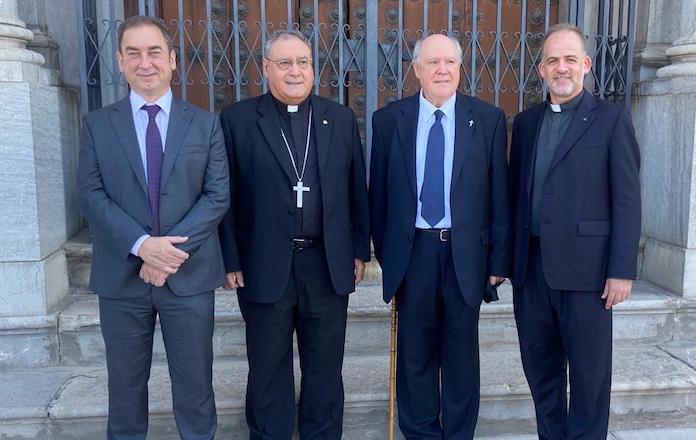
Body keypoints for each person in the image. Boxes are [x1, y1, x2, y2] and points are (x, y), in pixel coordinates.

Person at [76, 15, 229, 440]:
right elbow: (91, 195)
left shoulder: (205, 123)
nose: (146, 63)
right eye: (134, 53)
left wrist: (166, 255)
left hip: (189, 278)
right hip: (122, 280)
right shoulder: (97, 124)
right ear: (120, 62)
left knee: (196, 389)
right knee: (124, 393)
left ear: (173, 60)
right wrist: (143, 245)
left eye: (154, 52)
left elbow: (217, 196)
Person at [218, 29, 370, 439]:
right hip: (264, 264)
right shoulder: (238, 120)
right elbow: (226, 195)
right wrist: (230, 259)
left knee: (325, 368)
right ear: (266, 69)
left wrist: (359, 250)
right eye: (284, 63)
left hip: (326, 264)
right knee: (268, 369)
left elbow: (357, 188)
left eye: (302, 62)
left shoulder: (338, 117)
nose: (295, 71)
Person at [369, 33, 512, 439]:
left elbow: (498, 194)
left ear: (460, 67)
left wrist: (498, 261)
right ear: (417, 70)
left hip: (465, 255)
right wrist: (387, 254)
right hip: (413, 254)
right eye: (432, 63)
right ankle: (420, 432)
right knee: (415, 357)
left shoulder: (487, 120)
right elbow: (377, 194)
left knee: (460, 358)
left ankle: (459, 433)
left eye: (450, 62)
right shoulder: (388, 120)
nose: (442, 70)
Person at [508, 23, 641, 439]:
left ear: (585, 64)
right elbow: (516, 192)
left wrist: (622, 269)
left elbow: (627, 199)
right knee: (541, 374)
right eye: (552, 61)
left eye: (569, 59)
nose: (560, 68)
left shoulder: (611, 120)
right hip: (532, 271)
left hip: (588, 275)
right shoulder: (527, 122)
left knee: (588, 379)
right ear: (542, 70)